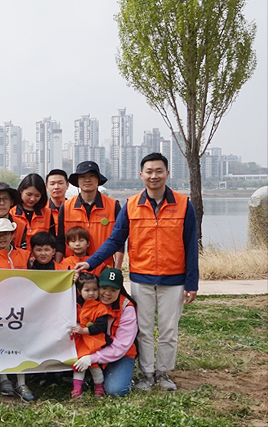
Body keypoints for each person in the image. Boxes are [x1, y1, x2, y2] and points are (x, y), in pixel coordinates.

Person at [75, 153, 198, 393]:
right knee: (142, 329)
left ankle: (163, 373)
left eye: (159, 171)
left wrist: (192, 282)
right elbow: (114, 240)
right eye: (149, 171)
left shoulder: (184, 204)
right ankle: (147, 374)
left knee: (168, 329)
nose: (154, 176)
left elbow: (191, 245)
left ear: (167, 174)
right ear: (141, 175)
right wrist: (90, 263)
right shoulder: (132, 205)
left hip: (175, 278)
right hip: (141, 277)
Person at [0, 218, 34, 401]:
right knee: (1, 342)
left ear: (13, 234)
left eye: (5, 234)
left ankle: (21, 381)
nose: (2, 238)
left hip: (22, 308)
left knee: (21, 343)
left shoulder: (26, 255)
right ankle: (4, 379)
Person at [70, 268, 139, 397]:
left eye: (113, 290)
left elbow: (121, 346)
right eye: (104, 288)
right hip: (90, 348)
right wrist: (73, 280)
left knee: (116, 390)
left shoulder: (127, 308)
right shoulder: (89, 299)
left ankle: (122, 378)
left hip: (119, 355)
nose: (107, 293)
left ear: (120, 290)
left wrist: (92, 358)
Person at [57, 161, 123, 270]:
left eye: (92, 176)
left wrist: (117, 269)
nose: (87, 180)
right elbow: (60, 240)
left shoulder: (113, 205)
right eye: (82, 176)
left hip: (104, 268)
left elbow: (119, 241)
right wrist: (58, 267)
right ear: (78, 181)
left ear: (98, 180)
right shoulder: (66, 207)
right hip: (73, 268)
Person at [68, 272, 108, 398]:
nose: (91, 293)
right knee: (79, 365)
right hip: (80, 341)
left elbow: (100, 327)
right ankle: (77, 388)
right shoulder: (75, 305)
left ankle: (99, 387)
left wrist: (83, 331)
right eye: (87, 290)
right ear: (79, 291)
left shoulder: (101, 308)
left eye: (95, 290)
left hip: (93, 341)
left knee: (94, 366)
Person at [12, 174, 51, 249]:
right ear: (21, 191)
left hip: (41, 258)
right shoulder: (11, 212)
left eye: (37, 196)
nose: (32, 199)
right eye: (29, 194)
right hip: (18, 257)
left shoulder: (47, 213)